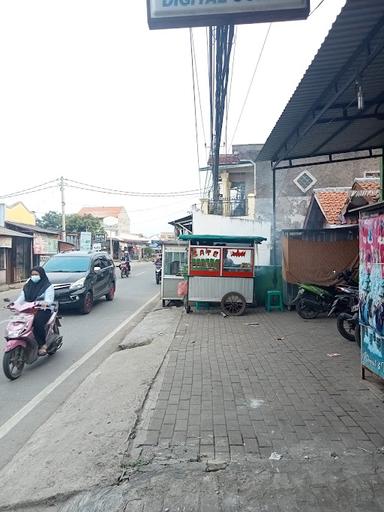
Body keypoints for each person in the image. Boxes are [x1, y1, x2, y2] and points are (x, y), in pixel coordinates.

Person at [14, 266, 55, 356]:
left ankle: (42, 344)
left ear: (41, 275)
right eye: (32, 274)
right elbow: (22, 296)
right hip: (28, 308)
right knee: (18, 322)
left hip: (43, 309)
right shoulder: (28, 284)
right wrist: (15, 304)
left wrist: (44, 303)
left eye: (36, 274)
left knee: (37, 323)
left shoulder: (47, 286)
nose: (34, 276)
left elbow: (49, 300)